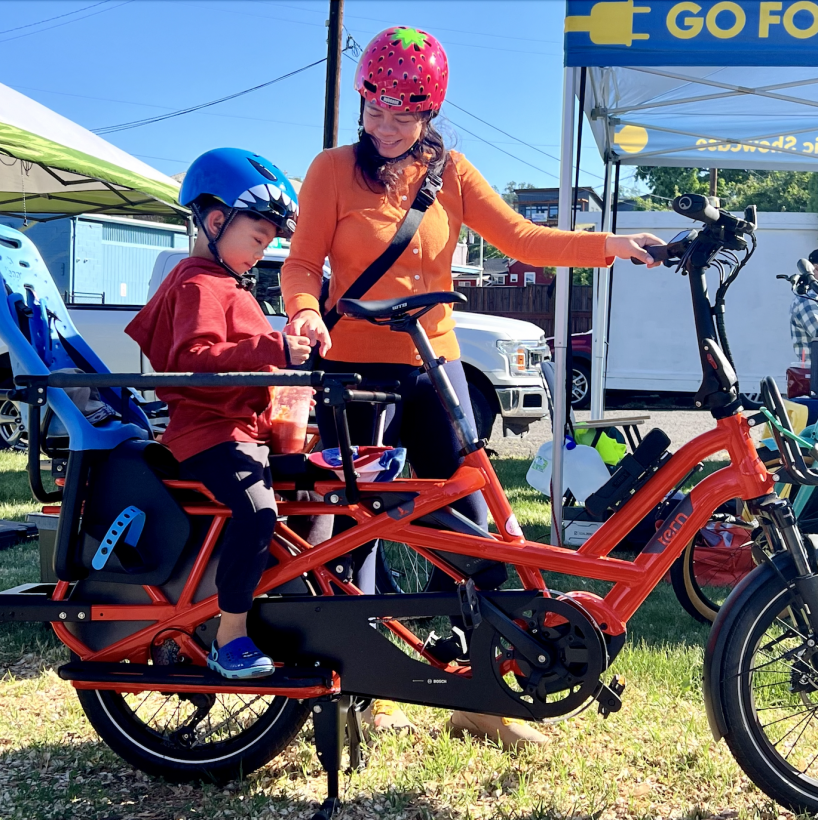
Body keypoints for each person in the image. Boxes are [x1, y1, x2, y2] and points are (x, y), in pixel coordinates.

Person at [281, 26, 663, 747]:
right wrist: (304, 312)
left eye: (402, 114)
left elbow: (524, 239)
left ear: (429, 112)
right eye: (373, 110)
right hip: (350, 370)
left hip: (434, 366)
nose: (384, 127)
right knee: (353, 526)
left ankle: (480, 703)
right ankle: (358, 689)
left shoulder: (449, 172)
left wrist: (607, 246)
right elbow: (302, 265)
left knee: (476, 534)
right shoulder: (331, 169)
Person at [126, 148, 309, 680]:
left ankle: (301, 605)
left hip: (241, 430)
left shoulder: (227, 284)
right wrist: (273, 350)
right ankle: (230, 638)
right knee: (257, 511)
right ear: (215, 220)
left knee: (325, 492)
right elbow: (191, 360)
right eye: (257, 239)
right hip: (207, 435)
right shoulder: (197, 283)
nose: (263, 251)